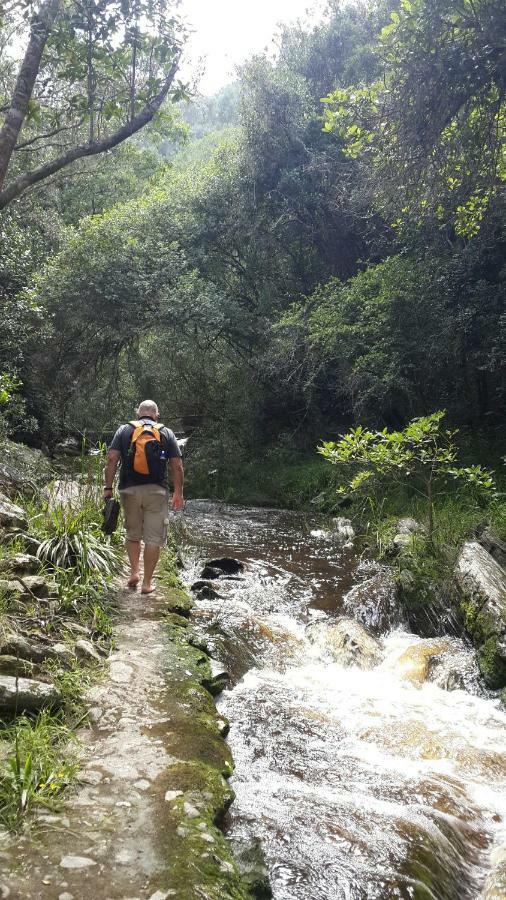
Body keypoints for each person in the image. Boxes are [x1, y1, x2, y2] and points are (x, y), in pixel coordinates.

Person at [103, 400, 184, 594]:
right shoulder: (166, 432)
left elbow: (112, 459)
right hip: (157, 491)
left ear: (138, 413)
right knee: (153, 539)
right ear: (156, 415)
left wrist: (108, 488)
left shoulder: (124, 430)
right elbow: (177, 465)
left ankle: (134, 573)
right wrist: (178, 493)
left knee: (132, 534)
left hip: (129, 490)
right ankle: (147, 584)